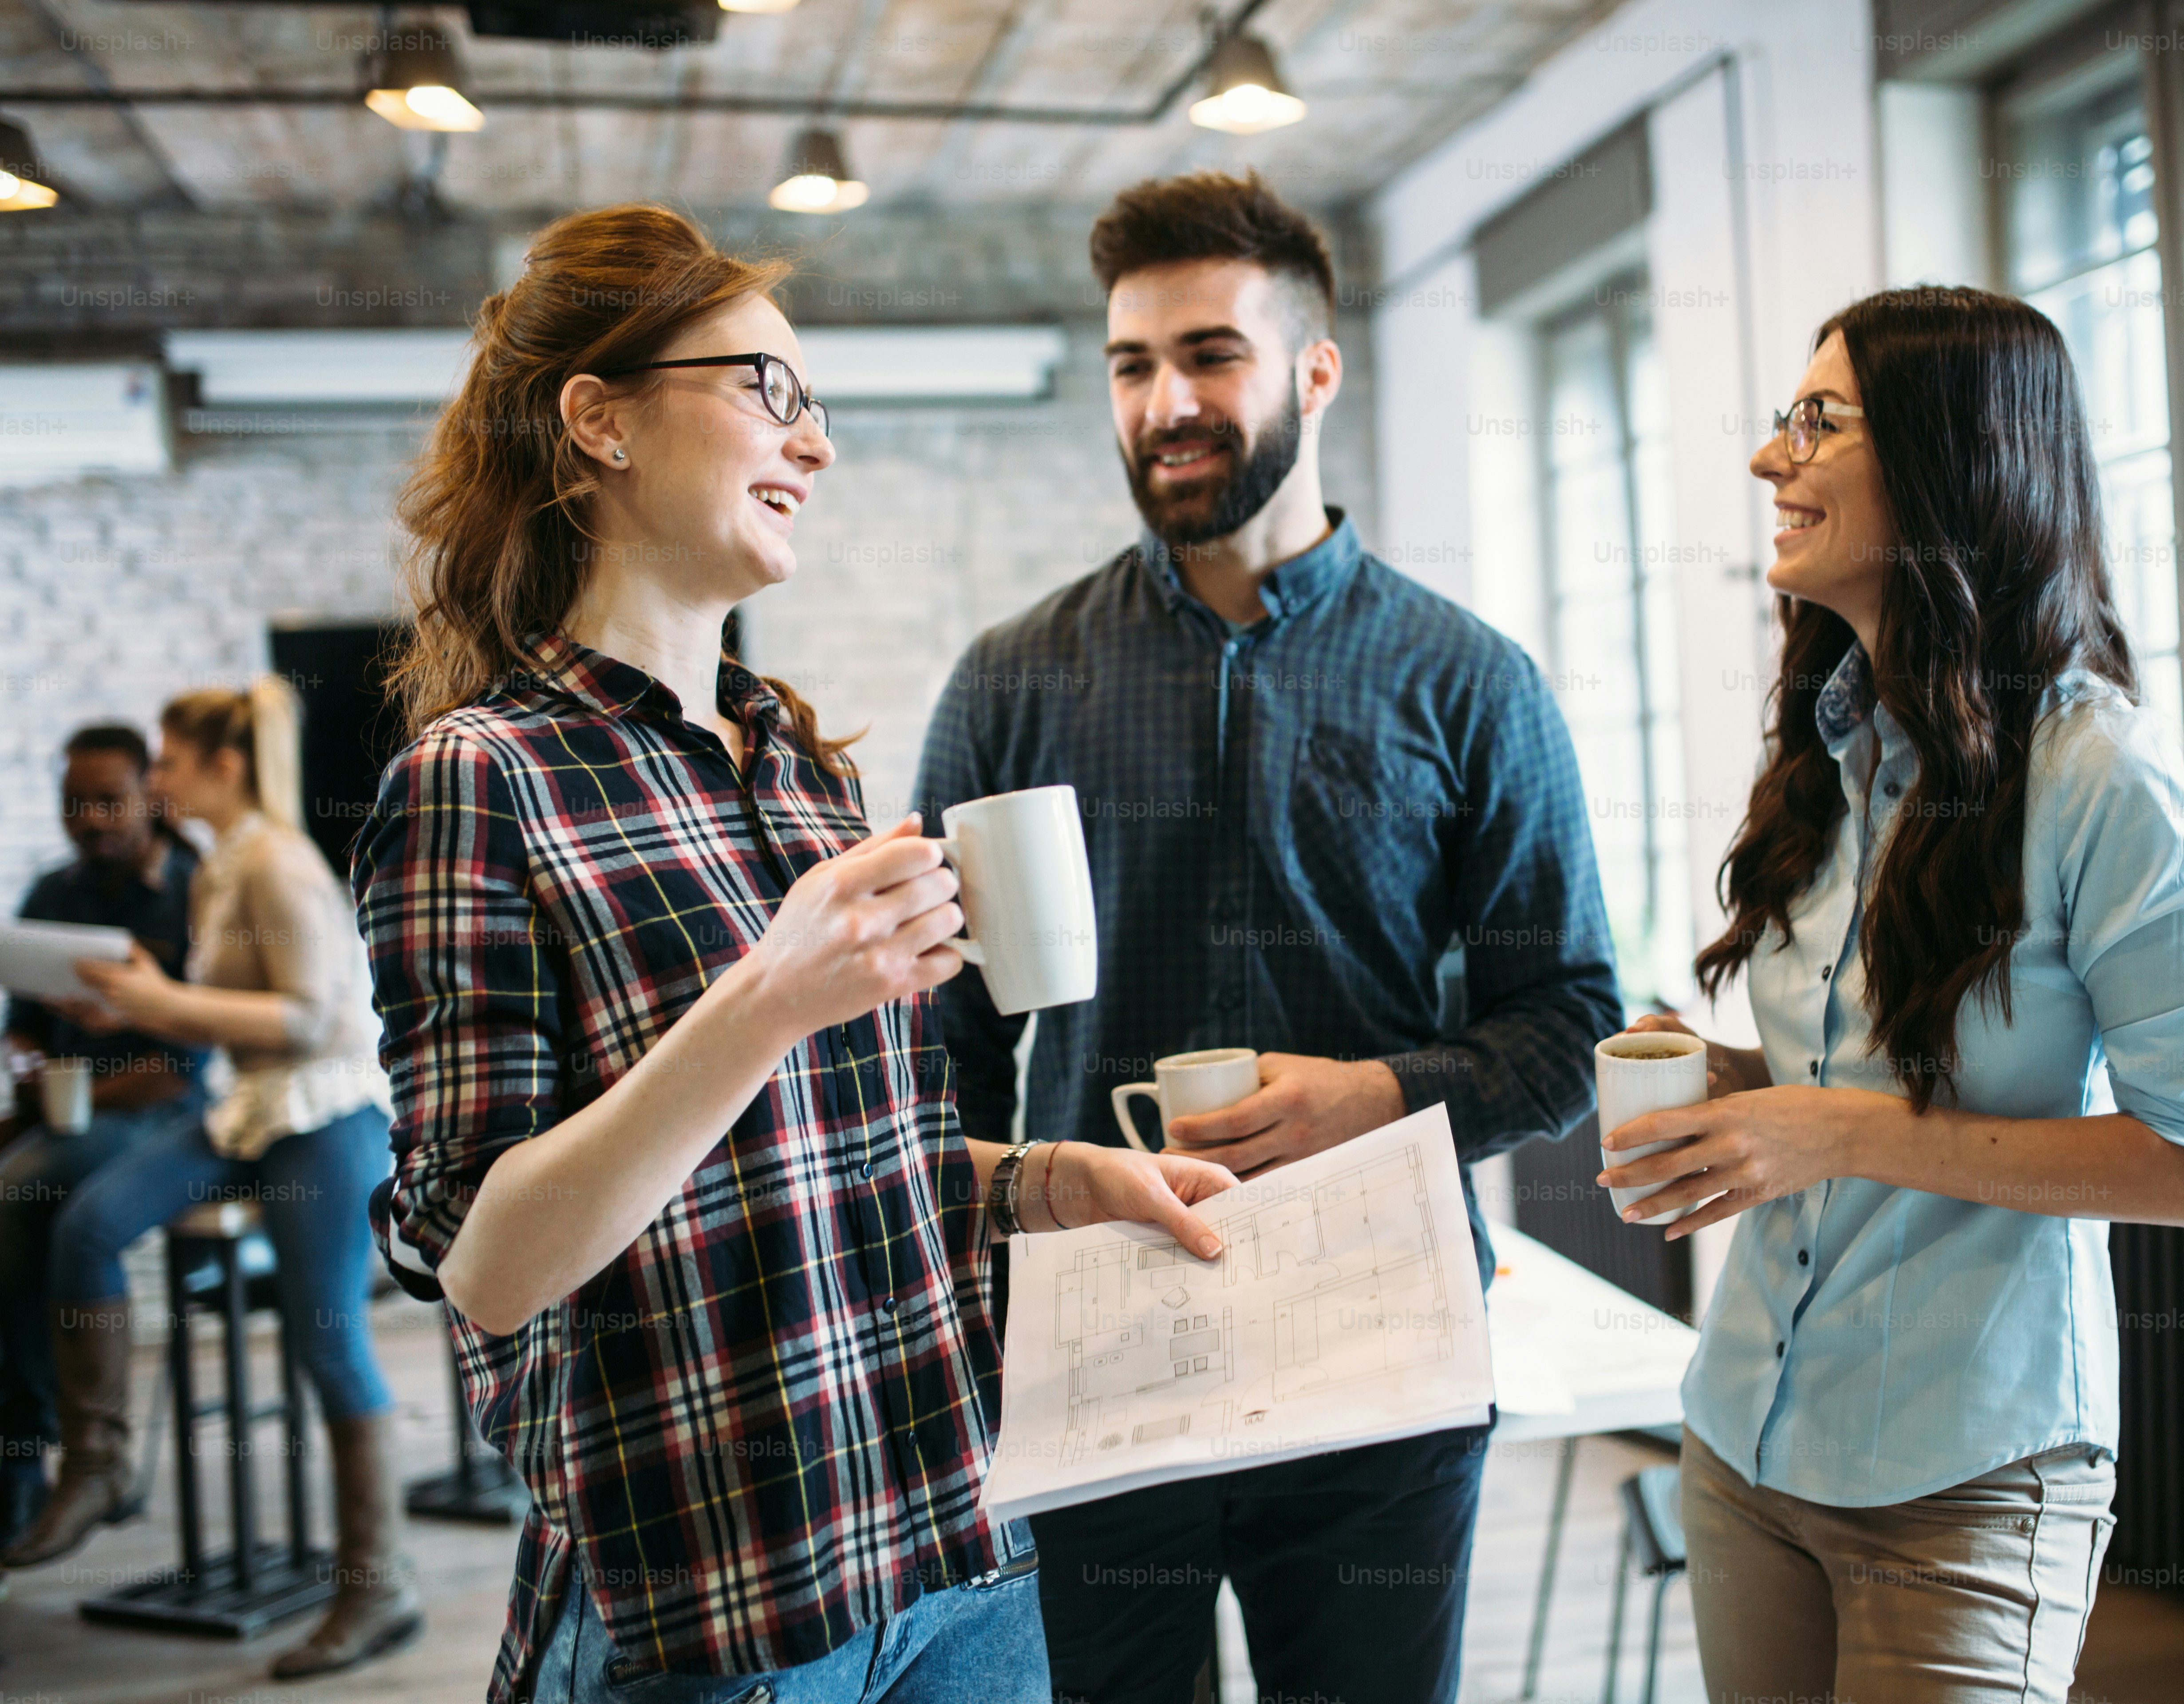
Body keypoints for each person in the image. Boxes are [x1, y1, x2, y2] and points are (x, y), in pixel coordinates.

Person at [352, 203, 1237, 1704]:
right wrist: (769, 998)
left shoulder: (797, 768)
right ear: (599, 423)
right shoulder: (477, 779)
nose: (813, 447)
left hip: (962, 1559)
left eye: (814, 405)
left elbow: (810, 1175)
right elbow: (490, 1265)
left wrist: (1040, 1179)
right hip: (715, 1616)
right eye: (767, 389)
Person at [914, 170, 1620, 1704]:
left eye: (1210, 356)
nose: (1166, 401)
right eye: (1131, 364)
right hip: (1092, 1353)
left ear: (1313, 370)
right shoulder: (1011, 685)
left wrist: (1380, 1096)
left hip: (1383, 1359)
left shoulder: (1471, 685)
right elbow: (937, 1047)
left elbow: (1569, 1024)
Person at [1593, 286, 2184, 1704]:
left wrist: (1833, 1131)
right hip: (1746, 1440)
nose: (1771, 462)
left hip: (1969, 1472)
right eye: (1785, 423)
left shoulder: (2107, 784)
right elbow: (1835, 1086)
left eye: (1816, 423)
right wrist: (1732, 1092)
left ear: (1956, 462)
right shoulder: (1827, 753)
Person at [3, 680, 417, 1679]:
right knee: (89, 1224)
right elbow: (223, 1006)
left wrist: (159, 999)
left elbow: (313, 1021)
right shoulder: (220, 865)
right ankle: (100, 1464)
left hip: (322, 1110)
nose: (159, 779)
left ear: (220, 766)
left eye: (172, 762)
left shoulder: (279, 863)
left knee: (329, 1344)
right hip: (247, 1108)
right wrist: (139, 1009)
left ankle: (378, 1588)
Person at [0, 724, 207, 1555]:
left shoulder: (192, 890)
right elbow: (25, 1031)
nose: (89, 819)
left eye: (106, 801)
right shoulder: (52, 894)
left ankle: (30, 1445)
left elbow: (183, 1064)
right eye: (72, 803)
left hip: (164, 1113)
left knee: (22, 1189)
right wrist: (32, 1067)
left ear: (149, 797)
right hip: (65, 1110)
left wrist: (65, 1095)